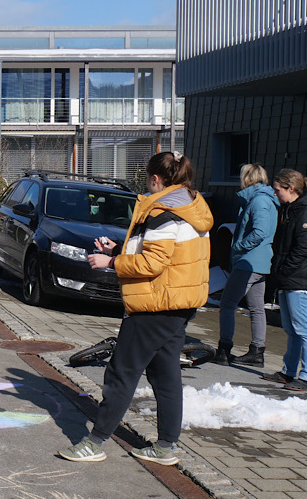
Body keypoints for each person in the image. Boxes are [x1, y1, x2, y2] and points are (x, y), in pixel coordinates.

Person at [59, 151, 212, 466]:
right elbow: (170, 255)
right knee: (164, 375)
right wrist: (119, 249)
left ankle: (94, 443)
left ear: (156, 179)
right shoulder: (190, 205)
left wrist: (112, 262)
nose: (146, 185)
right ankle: (165, 447)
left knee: (121, 373)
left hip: (154, 306)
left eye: (147, 179)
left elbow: (153, 263)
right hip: (178, 303)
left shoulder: (163, 210)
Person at [213, 164, 278, 366]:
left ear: (247, 178)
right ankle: (257, 351)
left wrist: (239, 246)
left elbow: (260, 231)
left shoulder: (259, 200)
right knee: (257, 308)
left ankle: (224, 349)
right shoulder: (263, 199)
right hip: (259, 262)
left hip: (248, 262)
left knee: (227, 303)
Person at [261, 169, 307, 391]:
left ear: (291, 188)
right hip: (287, 279)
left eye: (278, 189)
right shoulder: (288, 210)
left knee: (303, 329)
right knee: (291, 329)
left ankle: (305, 376)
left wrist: (284, 271)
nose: (275, 193)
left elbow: (302, 248)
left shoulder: (303, 211)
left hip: (298, 281)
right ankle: (289, 371)